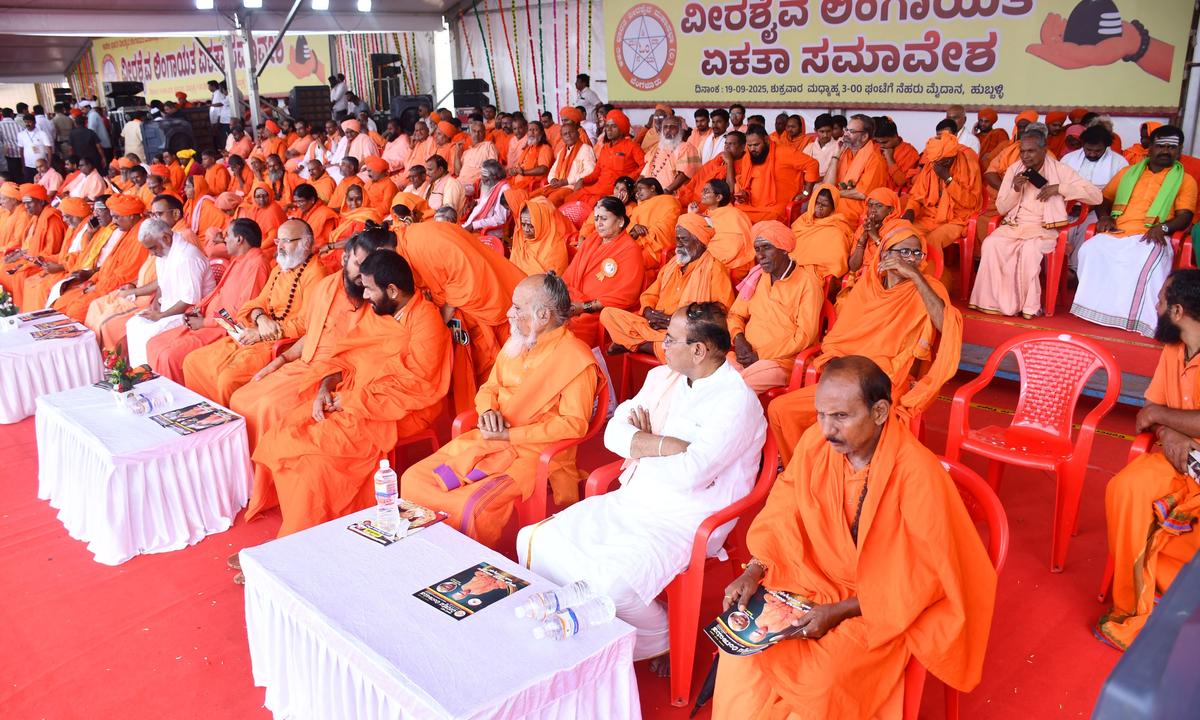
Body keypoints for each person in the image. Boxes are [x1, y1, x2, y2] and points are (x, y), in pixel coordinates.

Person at [713, 356, 996, 719]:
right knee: (742, 652)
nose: (827, 429)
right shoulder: (816, 445)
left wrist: (840, 611)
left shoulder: (917, 474)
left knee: (822, 681)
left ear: (879, 412)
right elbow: (785, 509)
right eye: (821, 415)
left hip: (877, 603)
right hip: (809, 580)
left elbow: (926, 574)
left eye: (841, 417)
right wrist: (755, 569)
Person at [520, 300, 766, 662]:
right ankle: (587, 631)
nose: (662, 345)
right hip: (635, 497)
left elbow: (690, 476)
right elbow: (613, 433)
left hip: (687, 518)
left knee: (612, 585)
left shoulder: (736, 402)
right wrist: (664, 445)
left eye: (670, 340)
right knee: (536, 539)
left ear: (698, 350)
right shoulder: (663, 378)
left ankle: (661, 636)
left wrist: (641, 447)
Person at [252, 249, 452, 539]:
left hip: (400, 412)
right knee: (286, 431)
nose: (366, 296)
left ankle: (305, 541)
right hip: (352, 399)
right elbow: (345, 357)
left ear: (392, 290)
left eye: (369, 289)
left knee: (314, 466)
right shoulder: (380, 314)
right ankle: (301, 530)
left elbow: (417, 386)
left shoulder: (426, 323)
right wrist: (325, 386)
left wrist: (355, 400)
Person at [401, 272, 604, 546]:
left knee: (470, 506)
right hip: (487, 439)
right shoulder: (518, 342)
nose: (509, 313)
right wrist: (487, 412)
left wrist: (510, 436)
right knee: (413, 478)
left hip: (535, 454)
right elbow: (489, 389)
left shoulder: (575, 359)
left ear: (543, 316)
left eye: (518, 308)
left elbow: (573, 425)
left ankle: (459, 573)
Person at [768, 223, 962, 466]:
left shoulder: (930, 288)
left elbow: (946, 324)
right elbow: (841, 337)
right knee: (780, 410)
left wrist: (916, 276)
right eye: (902, 252)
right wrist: (836, 363)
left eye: (915, 253)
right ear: (885, 255)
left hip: (887, 382)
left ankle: (835, 475)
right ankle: (803, 473)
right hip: (849, 377)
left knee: (835, 426)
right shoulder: (867, 287)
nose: (909, 259)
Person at [1099, 269, 1200, 650]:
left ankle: (1177, 602)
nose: (1154, 307)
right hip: (1175, 456)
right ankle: (1132, 606)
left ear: (1176, 310)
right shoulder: (1172, 350)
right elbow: (1148, 412)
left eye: (1159, 301)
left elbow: (1157, 411)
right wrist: (1167, 431)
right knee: (1125, 489)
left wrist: (1162, 418)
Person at [183, 219, 327, 405]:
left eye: (286, 241)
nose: (280, 247)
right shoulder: (279, 269)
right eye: (277, 241)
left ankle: (228, 430)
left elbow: (306, 325)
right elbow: (254, 303)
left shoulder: (316, 275)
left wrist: (261, 333)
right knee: (193, 361)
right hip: (254, 332)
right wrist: (260, 317)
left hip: (279, 343)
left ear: (305, 243)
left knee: (228, 380)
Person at [1072, 125, 1197, 337]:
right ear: (1150, 147)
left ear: (1179, 150)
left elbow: (1185, 216)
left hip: (1153, 234)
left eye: (1172, 147)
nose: (1166, 151)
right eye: (1161, 146)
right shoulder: (1128, 173)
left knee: (1144, 259)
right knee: (1089, 250)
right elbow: (1104, 199)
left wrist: (1164, 227)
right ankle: (1098, 311)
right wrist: (1105, 217)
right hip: (1119, 231)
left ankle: (1139, 319)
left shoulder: (1185, 180)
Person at [969, 126, 1102, 318]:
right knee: (991, 244)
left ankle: (1027, 306)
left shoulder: (1060, 170)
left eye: (1031, 151)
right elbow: (1002, 208)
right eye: (1023, 151)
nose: (1025, 156)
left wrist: (1060, 188)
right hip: (1015, 225)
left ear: (1044, 149)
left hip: (1044, 229)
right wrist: (1015, 188)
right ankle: (994, 302)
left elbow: (1096, 196)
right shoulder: (1015, 169)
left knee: (1029, 251)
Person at [394, 219, 525, 407]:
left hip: (486, 307)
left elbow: (466, 273)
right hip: (466, 316)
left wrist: (445, 311)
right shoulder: (413, 252)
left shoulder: (426, 244)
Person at [145, 218, 270, 381]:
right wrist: (200, 308)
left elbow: (241, 314)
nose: (224, 239)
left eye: (227, 235)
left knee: (169, 356)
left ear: (239, 239)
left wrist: (204, 323)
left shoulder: (257, 264)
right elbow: (219, 292)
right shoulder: (240, 260)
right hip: (209, 320)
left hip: (224, 330)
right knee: (154, 343)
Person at [601, 214, 735, 360]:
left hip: (685, 332)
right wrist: (648, 311)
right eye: (677, 239)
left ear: (700, 241)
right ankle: (651, 345)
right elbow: (650, 295)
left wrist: (675, 321)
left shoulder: (715, 270)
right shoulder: (671, 266)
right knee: (607, 314)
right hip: (654, 326)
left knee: (690, 347)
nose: (678, 244)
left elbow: (719, 315)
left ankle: (636, 344)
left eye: (683, 239)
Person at [727, 221, 824, 392]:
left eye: (766, 248)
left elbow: (804, 336)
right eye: (757, 249)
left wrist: (761, 355)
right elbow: (735, 315)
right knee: (709, 376)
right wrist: (739, 338)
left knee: (736, 389)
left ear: (784, 249)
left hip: (782, 361)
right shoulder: (757, 276)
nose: (761, 256)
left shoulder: (808, 284)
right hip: (746, 355)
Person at [123, 218, 214, 367]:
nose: (152, 254)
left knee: (147, 335)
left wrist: (161, 316)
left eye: (153, 248)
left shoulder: (187, 257)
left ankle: (149, 377)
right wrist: (156, 305)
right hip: (169, 309)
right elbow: (162, 282)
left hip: (191, 314)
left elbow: (189, 300)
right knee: (133, 324)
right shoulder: (164, 252)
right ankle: (139, 374)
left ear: (165, 238)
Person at [561, 195, 645, 347]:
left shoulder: (630, 250)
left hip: (597, 314)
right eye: (597, 218)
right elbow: (570, 274)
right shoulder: (592, 240)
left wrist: (584, 307)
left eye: (604, 219)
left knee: (566, 332)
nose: (598, 223)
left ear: (620, 221)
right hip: (573, 301)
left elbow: (626, 296)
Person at [53, 195, 147, 323]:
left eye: (116, 217)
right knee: (61, 303)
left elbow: (124, 277)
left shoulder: (139, 237)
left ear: (131, 216)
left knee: (74, 310)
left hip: (112, 289)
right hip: (100, 282)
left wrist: (97, 287)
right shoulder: (127, 230)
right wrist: (93, 280)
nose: (113, 222)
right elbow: (108, 264)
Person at [902, 130, 983, 253]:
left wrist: (947, 178)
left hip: (956, 220)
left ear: (949, 159)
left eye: (938, 163)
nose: (934, 166)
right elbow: (917, 195)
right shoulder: (932, 164)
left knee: (931, 242)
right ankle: (907, 271)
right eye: (933, 162)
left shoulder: (970, 166)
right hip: (930, 216)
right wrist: (910, 210)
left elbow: (972, 202)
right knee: (903, 236)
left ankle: (931, 272)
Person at [1061, 125, 1129, 263]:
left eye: (1097, 151)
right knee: (1060, 229)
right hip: (1068, 208)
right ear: (1083, 145)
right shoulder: (1068, 159)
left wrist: (1090, 205)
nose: (1092, 154)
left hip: (1100, 211)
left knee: (1089, 228)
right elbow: (1059, 186)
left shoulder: (1119, 163)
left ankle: (1074, 269)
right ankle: (1061, 268)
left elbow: (1119, 194)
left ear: (1106, 146)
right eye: (1088, 150)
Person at [560, 111, 646, 220]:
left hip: (614, 190)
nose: (608, 129)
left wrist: (627, 180)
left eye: (613, 126)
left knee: (590, 208)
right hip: (598, 187)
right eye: (607, 126)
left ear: (622, 128)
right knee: (569, 199)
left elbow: (644, 165)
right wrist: (583, 180)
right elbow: (596, 172)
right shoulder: (605, 147)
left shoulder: (632, 146)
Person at [19, 196, 96, 310]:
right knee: (30, 281)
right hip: (64, 268)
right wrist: (44, 259)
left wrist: (60, 267)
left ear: (78, 216)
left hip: (72, 272)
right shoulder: (73, 228)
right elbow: (63, 255)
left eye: (67, 216)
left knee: (41, 287)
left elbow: (83, 260)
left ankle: (40, 320)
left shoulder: (86, 232)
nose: (64, 220)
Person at [0, 184, 66, 305]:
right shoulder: (36, 216)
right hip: (31, 258)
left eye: (29, 203)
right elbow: (29, 246)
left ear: (41, 201)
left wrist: (27, 261)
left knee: (19, 275)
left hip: (43, 262)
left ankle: (19, 310)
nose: (26, 207)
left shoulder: (52, 219)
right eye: (24, 203)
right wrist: (20, 254)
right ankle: (8, 306)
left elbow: (51, 251)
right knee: (4, 267)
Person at [824, 114, 887, 226]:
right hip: (833, 207)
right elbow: (827, 185)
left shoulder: (875, 160)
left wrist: (833, 193)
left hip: (854, 214)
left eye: (851, 131)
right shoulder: (844, 153)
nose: (845, 134)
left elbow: (862, 194)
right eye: (846, 130)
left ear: (864, 137)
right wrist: (836, 156)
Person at [692, 179, 755, 282]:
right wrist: (692, 215)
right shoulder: (706, 213)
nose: (702, 193)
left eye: (706, 191)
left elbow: (733, 245)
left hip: (730, 263)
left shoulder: (734, 215)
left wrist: (705, 256)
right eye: (703, 190)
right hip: (706, 259)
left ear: (718, 197)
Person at [789, 183, 854, 279]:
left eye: (824, 205)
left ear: (833, 207)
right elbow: (789, 244)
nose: (819, 207)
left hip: (813, 273)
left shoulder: (838, 229)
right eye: (817, 203)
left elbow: (836, 262)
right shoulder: (804, 219)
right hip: (791, 265)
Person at [536, 121, 597, 206]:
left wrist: (567, 181)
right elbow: (553, 169)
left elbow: (590, 171)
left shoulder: (586, 149)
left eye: (571, 132)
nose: (568, 135)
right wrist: (552, 179)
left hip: (572, 187)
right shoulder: (562, 152)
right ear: (562, 138)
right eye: (565, 134)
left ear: (577, 133)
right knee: (534, 197)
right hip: (557, 185)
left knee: (551, 200)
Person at [640, 115, 700, 194]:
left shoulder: (686, 147)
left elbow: (684, 175)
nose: (668, 130)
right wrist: (637, 186)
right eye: (665, 127)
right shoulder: (657, 147)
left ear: (679, 130)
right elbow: (644, 172)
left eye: (672, 127)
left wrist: (667, 191)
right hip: (649, 193)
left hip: (670, 195)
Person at [510, 196, 570, 275]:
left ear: (542, 224)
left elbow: (551, 284)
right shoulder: (520, 238)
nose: (525, 229)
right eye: (523, 224)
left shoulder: (555, 248)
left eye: (530, 225)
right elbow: (511, 268)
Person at [874, 117, 920, 194]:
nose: (881, 145)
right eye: (878, 142)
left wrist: (890, 159)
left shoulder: (910, 152)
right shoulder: (876, 146)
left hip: (894, 199)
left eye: (885, 142)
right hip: (874, 196)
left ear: (895, 136)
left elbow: (901, 182)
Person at [17, 114, 52, 182]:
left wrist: (49, 164)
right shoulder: (21, 134)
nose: (27, 124)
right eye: (25, 122)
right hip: (28, 165)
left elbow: (49, 149)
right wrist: (23, 165)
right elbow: (21, 150)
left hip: (41, 165)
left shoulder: (42, 133)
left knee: (43, 184)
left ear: (34, 122)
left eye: (29, 122)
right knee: (30, 183)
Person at [975, 108, 1010, 174]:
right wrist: (973, 134)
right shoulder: (975, 137)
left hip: (992, 171)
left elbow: (1004, 152)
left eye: (986, 121)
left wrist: (990, 155)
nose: (983, 124)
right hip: (977, 171)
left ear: (992, 122)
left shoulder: (999, 133)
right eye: (981, 121)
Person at [804, 113, 839, 178]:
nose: (825, 135)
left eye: (828, 131)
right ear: (815, 131)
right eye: (822, 132)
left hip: (830, 185)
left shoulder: (838, 147)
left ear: (832, 130)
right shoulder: (809, 148)